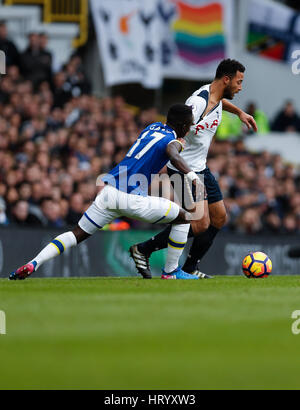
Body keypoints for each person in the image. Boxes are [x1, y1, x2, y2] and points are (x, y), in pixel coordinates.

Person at [9, 104, 201, 281]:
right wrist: (192, 175)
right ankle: (171, 272)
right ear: (182, 125)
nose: (190, 128)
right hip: (132, 199)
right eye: (189, 125)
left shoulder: (152, 127)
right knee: (185, 217)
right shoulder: (171, 141)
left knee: (76, 233)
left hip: (109, 193)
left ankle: (33, 263)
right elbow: (173, 153)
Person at [130, 59, 258, 279]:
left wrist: (239, 113)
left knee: (219, 218)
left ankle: (189, 268)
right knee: (199, 225)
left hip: (201, 167)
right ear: (226, 80)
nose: (240, 86)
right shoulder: (198, 103)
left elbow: (220, 103)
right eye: (239, 81)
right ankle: (144, 250)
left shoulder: (216, 97)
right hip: (184, 169)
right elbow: (177, 127)